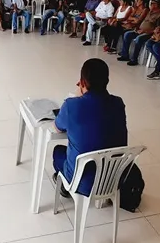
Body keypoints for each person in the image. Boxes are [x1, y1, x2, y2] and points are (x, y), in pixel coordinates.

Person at [53, 58, 127, 197]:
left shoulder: (71, 105)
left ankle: (66, 186)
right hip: (113, 180)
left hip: (83, 183)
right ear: (107, 81)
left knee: (58, 152)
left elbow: (58, 128)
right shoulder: (118, 103)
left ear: (82, 82)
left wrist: (78, 96)